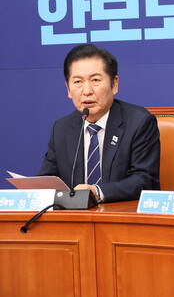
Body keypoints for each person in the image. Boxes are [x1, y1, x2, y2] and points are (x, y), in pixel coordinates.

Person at [38, 44, 160, 203]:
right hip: (75, 216)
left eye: (95, 80)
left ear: (114, 84)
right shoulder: (61, 128)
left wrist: (97, 191)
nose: (87, 91)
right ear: (68, 89)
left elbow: (144, 180)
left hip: (122, 214)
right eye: (78, 82)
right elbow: (47, 179)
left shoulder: (139, 122)